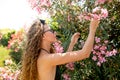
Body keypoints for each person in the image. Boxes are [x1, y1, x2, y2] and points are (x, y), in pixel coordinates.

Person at [20, 19, 100, 80]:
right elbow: (85, 54)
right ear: (43, 36)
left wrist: (72, 43)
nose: (54, 32)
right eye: (50, 30)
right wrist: (92, 30)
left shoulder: (44, 55)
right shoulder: (45, 58)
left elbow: (64, 59)